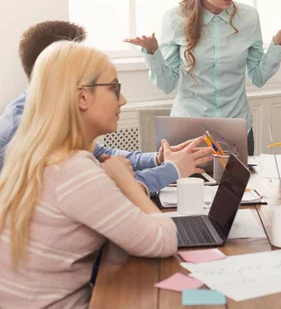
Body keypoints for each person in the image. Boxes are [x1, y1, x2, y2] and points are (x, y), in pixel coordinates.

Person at [0, 42, 177, 308]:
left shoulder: (32, 153)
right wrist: (126, 183)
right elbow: (164, 240)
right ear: (82, 97)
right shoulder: (72, 169)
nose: (123, 99)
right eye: (114, 88)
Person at [125, 0, 281, 156]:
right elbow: (167, 84)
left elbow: (258, 77)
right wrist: (152, 52)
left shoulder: (248, 18)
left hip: (237, 129)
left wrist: (278, 44)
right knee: (187, 190)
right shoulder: (175, 19)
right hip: (188, 133)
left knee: (239, 189)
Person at [0, 21, 212, 193]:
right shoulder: (24, 129)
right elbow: (102, 191)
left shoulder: (54, 107)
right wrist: (172, 170)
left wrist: (158, 159)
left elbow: (100, 155)